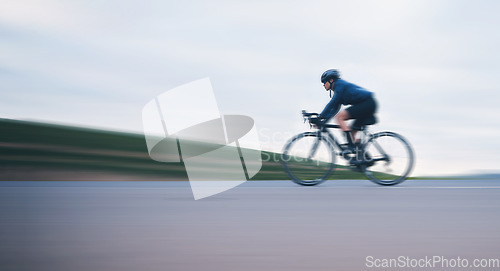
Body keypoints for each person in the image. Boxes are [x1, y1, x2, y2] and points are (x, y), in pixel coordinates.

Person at [318, 69, 378, 152]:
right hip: (368, 104)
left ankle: (351, 146)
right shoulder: (338, 89)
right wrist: (323, 121)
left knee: (339, 117)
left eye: (324, 82)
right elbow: (335, 108)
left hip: (368, 104)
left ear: (331, 80)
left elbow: (332, 103)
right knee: (352, 134)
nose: (323, 85)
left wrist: (320, 116)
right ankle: (362, 157)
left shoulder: (339, 85)